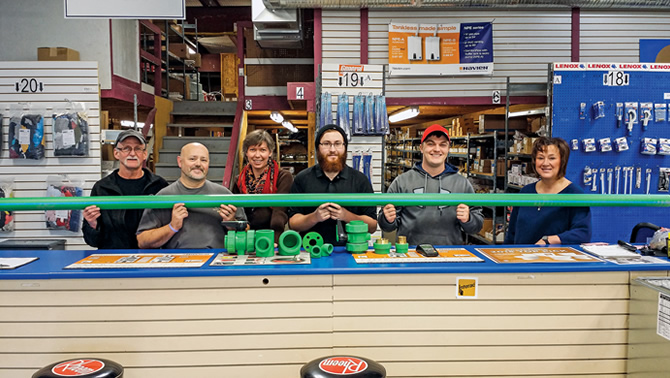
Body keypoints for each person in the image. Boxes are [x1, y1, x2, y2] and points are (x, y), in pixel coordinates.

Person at [378, 124, 484, 245]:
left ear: (448, 149)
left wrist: (469, 219)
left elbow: (477, 226)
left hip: (449, 255)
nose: (437, 149)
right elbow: (386, 226)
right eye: (431, 144)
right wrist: (387, 219)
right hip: (410, 254)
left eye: (442, 144)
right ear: (421, 148)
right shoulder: (402, 181)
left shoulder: (462, 184)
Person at [136, 142, 246, 249]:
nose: (198, 164)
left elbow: (246, 233)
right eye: (192, 159)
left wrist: (232, 223)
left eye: (203, 160)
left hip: (217, 262)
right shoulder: (163, 197)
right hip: (178, 263)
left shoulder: (224, 195)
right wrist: (172, 227)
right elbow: (142, 241)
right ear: (180, 162)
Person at [288, 124, 377, 244]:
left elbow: (372, 226)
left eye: (338, 143)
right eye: (326, 144)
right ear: (318, 147)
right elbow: (293, 223)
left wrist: (346, 216)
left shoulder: (360, 180)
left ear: (345, 147)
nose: (332, 149)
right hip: (311, 251)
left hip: (352, 251)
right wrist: (314, 217)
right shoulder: (302, 179)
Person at [82, 130, 168, 249]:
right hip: (112, 258)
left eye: (138, 149)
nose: (132, 153)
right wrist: (92, 225)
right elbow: (92, 241)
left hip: (149, 258)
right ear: (116, 153)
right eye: (126, 148)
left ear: (144, 154)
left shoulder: (159, 185)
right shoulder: (102, 188)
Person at [504, 137, 591, 245]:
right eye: (540, 158)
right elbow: (512, 233)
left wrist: (549, 240)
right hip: (522, 258)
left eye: (552, 158)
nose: (545, 163)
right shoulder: (526, 191)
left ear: (562, 161)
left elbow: (582, 233)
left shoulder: (574, 194)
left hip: (555, 260)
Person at [233, 130, 293, 243]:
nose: (257, 155)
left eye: (263, 150)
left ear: (270, 152)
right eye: (252, 150)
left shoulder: (283, 176)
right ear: (246, 153)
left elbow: (279, 211)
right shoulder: (239, 180)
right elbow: (237, 211)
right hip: (245, 237)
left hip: (271, 236)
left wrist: (274, 240)